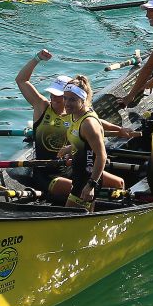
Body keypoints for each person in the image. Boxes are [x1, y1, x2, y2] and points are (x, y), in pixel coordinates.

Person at [49, 76, 126, 208]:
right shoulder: (76, 114)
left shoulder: (88, 124)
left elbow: (102, 156)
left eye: (72, 99)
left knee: (71, 221)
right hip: (79, 175)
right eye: (65, 98)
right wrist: (70, 148)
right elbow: (84, 140)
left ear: (83, 99)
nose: (66, 103)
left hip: (88, 178)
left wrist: (91, 185)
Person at [14, 49, 73, 186]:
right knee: (77, 188)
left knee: (117, 183)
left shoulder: (76, 114)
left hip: (68, 167)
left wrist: (119, 130)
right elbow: (21, 80)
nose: (53, 97)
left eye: (58, 94)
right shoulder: (42, 106)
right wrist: (37, 59)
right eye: (52, 93)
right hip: (45, 172)